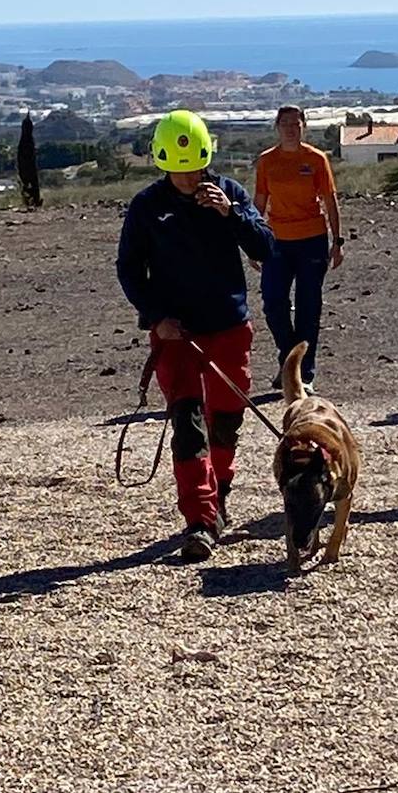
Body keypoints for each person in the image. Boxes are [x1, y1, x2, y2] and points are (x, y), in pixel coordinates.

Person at [116, 110, 274, 561]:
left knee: (225, 420)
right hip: (176, 335)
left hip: (228, 327)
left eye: (195, 167)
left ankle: (219, 493)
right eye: (178, 169)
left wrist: (232, 215)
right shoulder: (147, 207)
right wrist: (154, 316)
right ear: (163, 163)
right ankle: (200, 520)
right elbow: (129, 269)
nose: (188, 177)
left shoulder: (231, 194)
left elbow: (265, 246)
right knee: (188, 425)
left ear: (207, 158)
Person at [253, 106, 344, 392]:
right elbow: (258, 202)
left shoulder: (316, 159)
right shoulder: (267, 161)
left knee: (309, 307)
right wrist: (252, 243)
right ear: (277, 127)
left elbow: (330, 200)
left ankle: (304, 374)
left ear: (304, 126)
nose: (291, 128)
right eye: (285, 124)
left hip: (312, 240)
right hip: (276, 241)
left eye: (296, 123)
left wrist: (338, 241)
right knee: (273, 303)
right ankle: (289, 359)